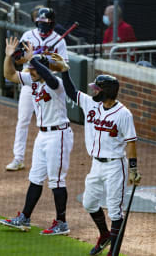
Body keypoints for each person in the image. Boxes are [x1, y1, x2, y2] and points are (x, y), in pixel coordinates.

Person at [61, 72, 142, 256]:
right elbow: (71, 92)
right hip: (95, 165)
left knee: (115, 211)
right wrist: (65, 71)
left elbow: (131, 142)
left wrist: (133, 169)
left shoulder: (124, 114)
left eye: (97, 89)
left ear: (106, 92)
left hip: (115, 166)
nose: (94, 91)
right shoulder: (91, 103)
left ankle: (113, 251)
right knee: (89, 202)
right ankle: (104, 234)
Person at [0, 37, 74, 235]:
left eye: (33, 69)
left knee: (57, 180)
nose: (29, 71)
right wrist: (8, 57)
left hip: (58, 135)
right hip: (42, 136)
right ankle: (25, 218)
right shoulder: (32, 81)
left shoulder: (55, 83)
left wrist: (33, 60)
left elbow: (48, 77)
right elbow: (9, 75)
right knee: (35, 178)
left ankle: (62, 223)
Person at [5, 7, 69, 171]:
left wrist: (46, 59)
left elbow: (64, 66)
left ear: (52, 24)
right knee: (23, 119)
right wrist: (26, 58)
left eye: (45, 23)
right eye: (40, 22)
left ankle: (52, 158)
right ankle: (18, 158)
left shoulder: (59, 41)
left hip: (50, 84)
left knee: (51, 122)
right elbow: (19, 61)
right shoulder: (28, 36)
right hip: (30, 78)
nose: (42, 26)